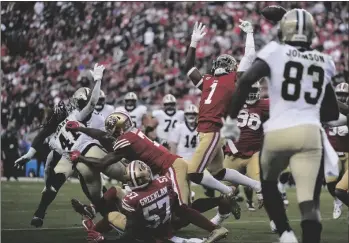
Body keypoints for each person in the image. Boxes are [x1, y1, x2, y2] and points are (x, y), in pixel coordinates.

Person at [221, 9, 340, 243]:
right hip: (310, 134)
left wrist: (231, 120)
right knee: (310, 204)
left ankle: (285, 232)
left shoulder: (275, 51)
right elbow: (332, 112)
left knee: (267, 182)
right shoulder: (325, 61)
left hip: (279, 132)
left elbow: (245, 81)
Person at [184, 21, 262, 224]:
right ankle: (256, 185)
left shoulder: (233, 79)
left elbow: (250, 56)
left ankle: (228, 191)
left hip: (212, 130)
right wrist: (193, 42)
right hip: (207, 131)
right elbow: (189, 68)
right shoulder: (209, 80)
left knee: (193, 172)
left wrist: (250, 33)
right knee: (219, 172)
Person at [72, 160, 229, 243]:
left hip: (150, 233)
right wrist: (213, 226)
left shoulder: (132, 199)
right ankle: (91, 212)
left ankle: (94, 231)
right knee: (117, 193)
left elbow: (132, 234)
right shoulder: (165, 183)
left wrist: (105, 241)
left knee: (113, 216)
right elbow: (187, 210)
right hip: (166, 224)